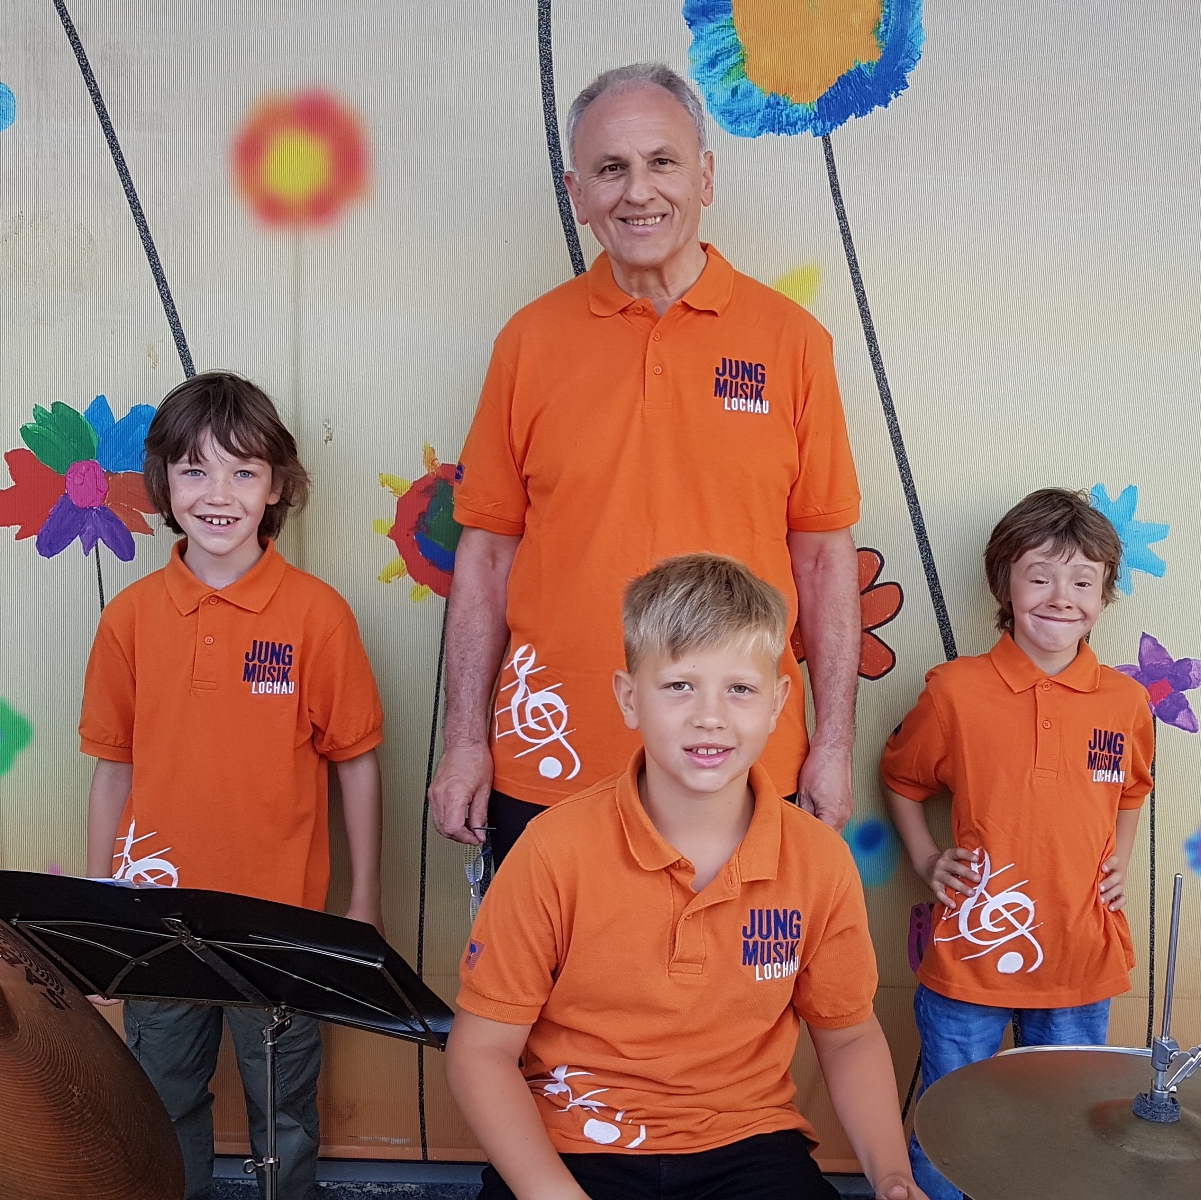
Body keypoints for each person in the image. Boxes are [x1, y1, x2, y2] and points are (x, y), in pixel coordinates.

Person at [429, 62, 863, 867]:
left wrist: (833, 744)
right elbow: (485, 558)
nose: (639, 192)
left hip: (740, 763)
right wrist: (463, 741)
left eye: (663, 162)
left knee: (732, 957)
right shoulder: (527, 344)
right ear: (577, 193)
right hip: (553, 761)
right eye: (610, 169)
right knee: (545, 959)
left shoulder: (794, 344)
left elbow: (824, 558)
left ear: (705, 176)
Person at [446, 554, 926, 1200]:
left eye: (741, 689)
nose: (710, 716)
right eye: (679, 686)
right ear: (629, 699)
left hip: (746, 1146)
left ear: (779, 702)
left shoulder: (819, 861)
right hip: (573, 1143)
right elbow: (481, 1051)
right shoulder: (552, 850)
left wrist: (893, 1175)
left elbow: (849, 1038)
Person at [80, 371, 385, 1200]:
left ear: (276, 486)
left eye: (243, 471)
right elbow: (114, 767)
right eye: (195, 470)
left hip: (280, 925)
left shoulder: (317, 615)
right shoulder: (129, 619)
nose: (219, 494)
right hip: (157, 920)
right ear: (163, 483)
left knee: (284, 1111)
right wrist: (100, 905)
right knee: (162, 1098)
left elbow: (355, 759)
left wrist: (363, 899)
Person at [880, 488, 1155, 1200]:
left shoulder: (1125, 702)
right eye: (1040, 576)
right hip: (971, 957)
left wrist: (1120, 860)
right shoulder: (954, 691)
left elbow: (1132, 791)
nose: (1061, 597)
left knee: (1064, 1125)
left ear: (1105, 594)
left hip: (1079, 954)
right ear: (1004, 583)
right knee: (953, 1120)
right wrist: (925, 858)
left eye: (1083, 581)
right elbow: (902, 779)